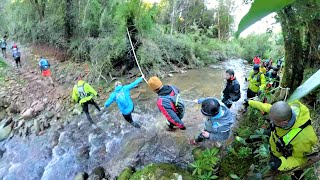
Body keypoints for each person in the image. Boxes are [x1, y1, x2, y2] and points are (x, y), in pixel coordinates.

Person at [247, 100, 317, 179]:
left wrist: (281, 163)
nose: (271, 121)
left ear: (284, 122)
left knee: (297, 175)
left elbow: (300, 160)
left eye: (273, 121)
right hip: (277, 140)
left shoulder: (304, 138)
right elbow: (267, 107)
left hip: (285, 155)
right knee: (258, 135)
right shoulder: (284, 112)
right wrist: (249, 102)